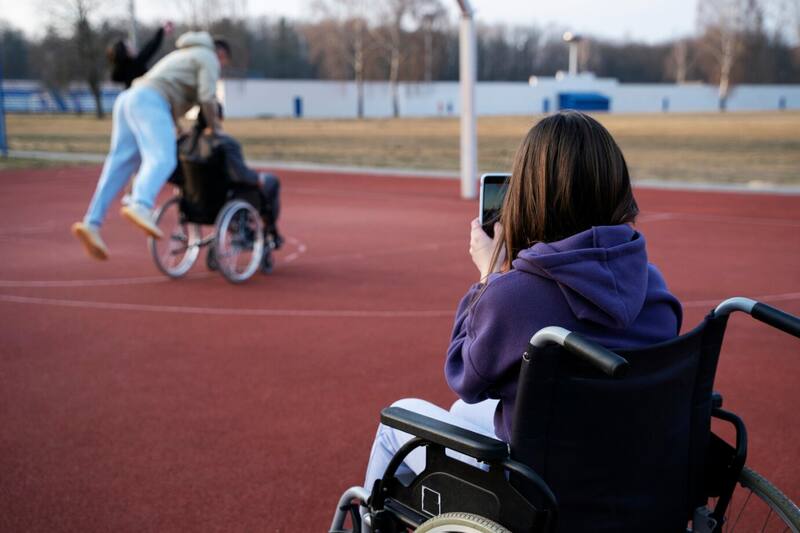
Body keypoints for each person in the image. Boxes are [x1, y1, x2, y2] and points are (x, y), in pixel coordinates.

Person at [362, 111, 683, 496]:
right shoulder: (655, 286)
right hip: (630, 482)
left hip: (538, 496)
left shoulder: (515, 296)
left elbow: (465, 375)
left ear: (531, 195)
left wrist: (489, 276)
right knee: (462, 415)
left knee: (396, 422)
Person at [71, 31, 231, 261]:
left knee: (119, 165)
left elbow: (169, 91)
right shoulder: (208, 57)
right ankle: (141, 204)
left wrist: (177, 126)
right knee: (163, 158)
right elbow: (207, 97)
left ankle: (92, 223)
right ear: (221, 54)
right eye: (224, 62)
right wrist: (215, 129)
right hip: (150, 101)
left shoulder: (182, 54)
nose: (221, 66)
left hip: (129, 98)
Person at [177, 103, 283, 273]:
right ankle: (268, 232)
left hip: (193, 202)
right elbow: (241, 175)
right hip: (225, 199)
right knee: (270, 182)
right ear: (220, 118)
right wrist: (257, 179)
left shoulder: (186, 144)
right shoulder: (225, 143)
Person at [107, 22, 174, 89]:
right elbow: (151, 47)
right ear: (126, 52)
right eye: (129, 46)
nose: (133, 47)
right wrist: (161, 30)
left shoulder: (121, 69)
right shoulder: (134, 65)